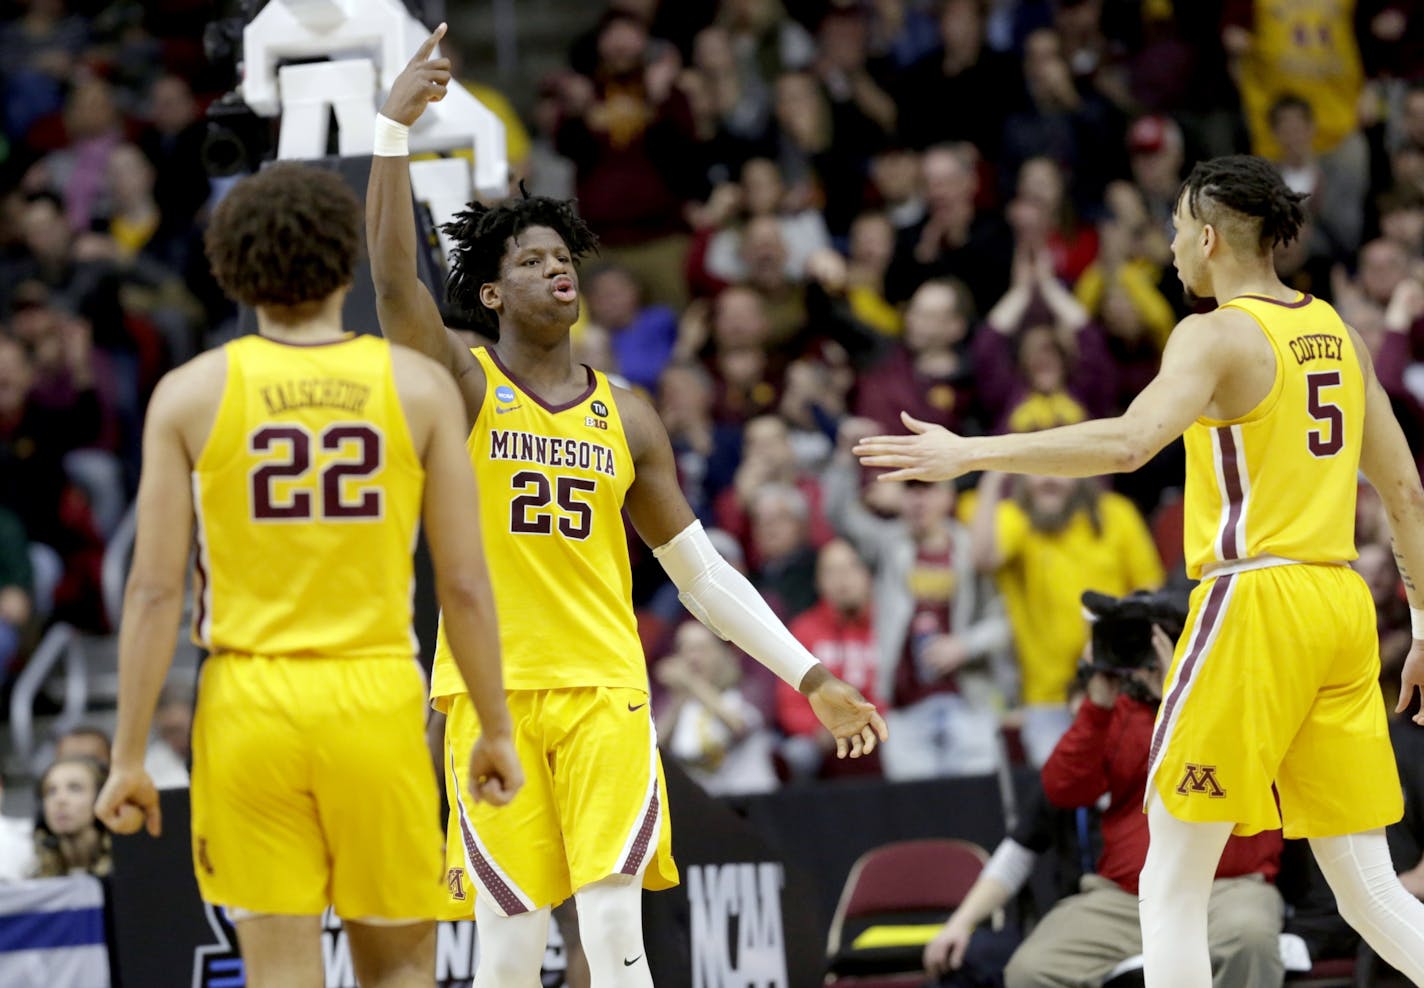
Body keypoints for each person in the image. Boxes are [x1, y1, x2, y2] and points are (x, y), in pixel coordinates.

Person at [367, 25, 886, 988]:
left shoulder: (629, 413)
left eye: (562, 252)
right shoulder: (468, 382)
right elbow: (396, 286)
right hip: (491, 700)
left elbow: (699, 576)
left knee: (613, 935)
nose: (557, 265)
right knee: (512, 951)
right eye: (529, 260)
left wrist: (809, 676)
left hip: (607, 690)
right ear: (489, 291)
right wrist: (393, 133)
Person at [856, 154, 1424, 985]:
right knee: (1367, 885)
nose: (1167, 248)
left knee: (1168, 873)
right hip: (1340, 606)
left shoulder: (1214, 332)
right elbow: (1406, 488)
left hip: (1255, 596)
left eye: (1172, 230)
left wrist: (971, 452)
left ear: (1207, 236)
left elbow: (1128, 442)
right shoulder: (1339, 331)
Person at [93, 160, 521, 988]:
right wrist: (494, 727)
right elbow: (465, 586)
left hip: (249, 704)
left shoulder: (189, 393)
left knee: (281, 974)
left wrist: (129, 754)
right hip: (374, 698)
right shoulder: (418, 387)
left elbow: (152, 592)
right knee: (399, 968)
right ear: (344, 261)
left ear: (229, 266)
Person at [34, 756, 111, 879]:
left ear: (101, 799)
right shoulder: (34, 879)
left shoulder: (128, 872)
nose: (60, 800)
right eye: (51, 791)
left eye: (75, 788)